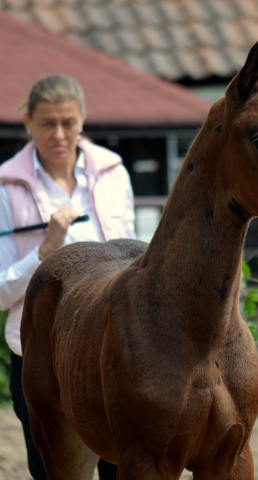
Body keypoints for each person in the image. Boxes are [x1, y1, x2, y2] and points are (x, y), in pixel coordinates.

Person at [0, 74, 136, 479]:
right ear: (27, 121)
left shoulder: (114, 174)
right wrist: (45, 250)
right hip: (38, 355)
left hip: (112, 351)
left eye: (68, 123)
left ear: (82, 121)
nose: (59, 134)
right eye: (47, 123)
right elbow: (1, 292)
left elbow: (131, 261)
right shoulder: (5, 186)